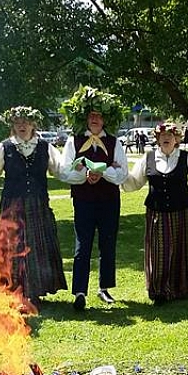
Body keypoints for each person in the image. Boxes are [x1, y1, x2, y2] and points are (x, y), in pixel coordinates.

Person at [0, 106, 67, 311]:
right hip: (13, 206)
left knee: (37, 246)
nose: (21, 125)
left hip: (38, 204)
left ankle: (36, 291)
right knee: (13, 248)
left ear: (33, 124)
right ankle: (16, 292)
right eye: (17, 122)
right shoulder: (4, 148)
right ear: (12, 125)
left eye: (26, 122)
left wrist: (82, 174)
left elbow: (62, 172)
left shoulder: (46, 147)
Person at [122, 123, 188, 304]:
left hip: (182, 210)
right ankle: (160, 290)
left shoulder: (186, 157)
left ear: (177, 139)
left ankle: (183, 287)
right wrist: (118, 174)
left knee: (182, 248)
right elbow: (133, 182)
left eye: (170, 135)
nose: (166, 138)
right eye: (163, 135)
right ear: (158, 139)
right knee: (159, 251)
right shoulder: (148, 159)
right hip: (157, 212)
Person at [60, 85, 128, 311]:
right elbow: (65, 172)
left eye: (99, 116)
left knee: (107, 244)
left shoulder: (114, 142)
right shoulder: (74, 141)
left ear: (105, 120)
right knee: (83, 244)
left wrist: (105, 172)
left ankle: (104, 288)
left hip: (109, 200)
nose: (95, 120)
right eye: (91, 116)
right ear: (85, 119)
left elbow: (122, 174)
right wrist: (84, 174)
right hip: (83, 200)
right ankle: (80, 291)